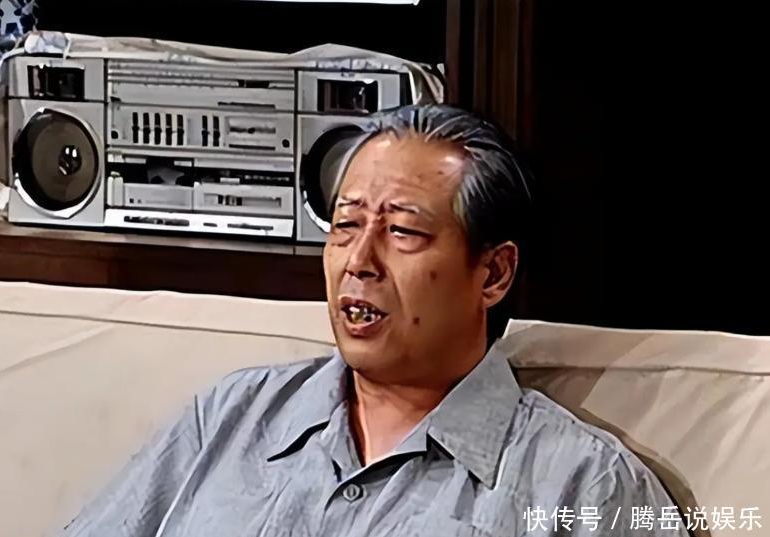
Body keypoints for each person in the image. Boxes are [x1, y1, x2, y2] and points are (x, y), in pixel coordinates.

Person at [60, 105, 688, 537]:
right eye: (345, 225)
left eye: (403, 231)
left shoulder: (581, 485)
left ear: (493, 274)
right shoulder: (231, 417)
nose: (359, 261)